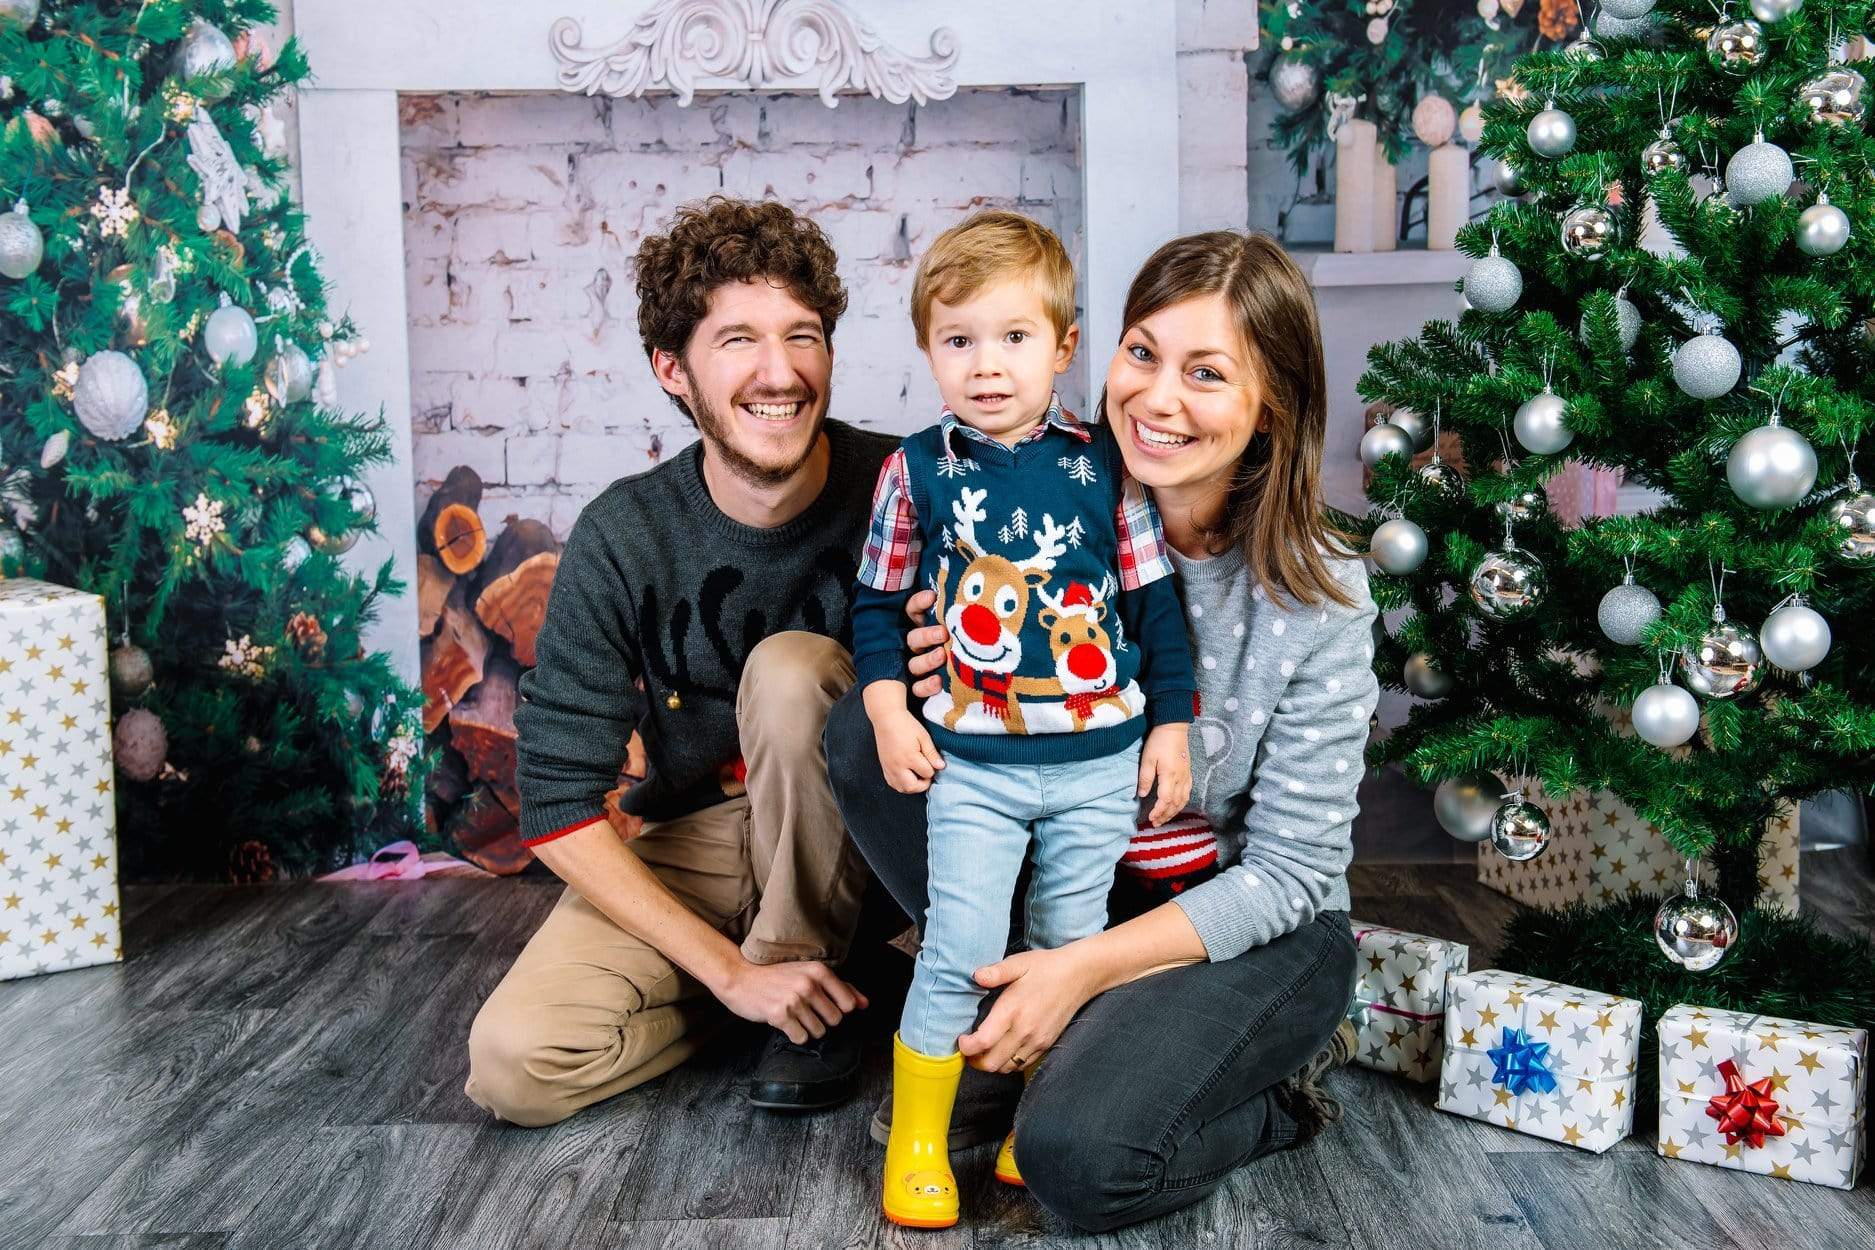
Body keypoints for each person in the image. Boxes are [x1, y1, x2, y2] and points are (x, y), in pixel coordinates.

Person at [826, 230, 1379, 1231]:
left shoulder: (1318, 597)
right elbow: (919, 608)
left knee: (1078, 1160)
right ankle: (1020, 1019)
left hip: (1247, 926)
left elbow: (1295, 873)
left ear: (1270, 410)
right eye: (1142, 354)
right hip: (1073, 846)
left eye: (1206, 374)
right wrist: (928, 663)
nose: (1157, 399)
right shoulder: (1047, 488)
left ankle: (1268, 1096)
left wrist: (1078, 966)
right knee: (865, 738)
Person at [464, 196, 898, 1128]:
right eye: (737, 340)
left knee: (789, 671)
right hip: (700, 846)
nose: (779, 373)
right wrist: (729, 973)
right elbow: (556, 801)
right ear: (673, 369)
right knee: (516, 1066)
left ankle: (823, 987)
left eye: (803, 335)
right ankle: (803, 993)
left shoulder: (909, 487)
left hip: (879, 838)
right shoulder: (627, 532)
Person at [849, 211, 1196, 1229]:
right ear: (928, 350)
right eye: (958, 341)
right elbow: (876, 601)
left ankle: (1031, 1123)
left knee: (1065, 940)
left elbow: (1152, 606)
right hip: (975, 766)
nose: (986, 366)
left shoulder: (1107, 466)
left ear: (1062, 344)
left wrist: (1168, 724)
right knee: (959, 941)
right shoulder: (914, 470)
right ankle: (918, 1136)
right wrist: (884, 703)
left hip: (1099, 765)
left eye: (1012, 338)